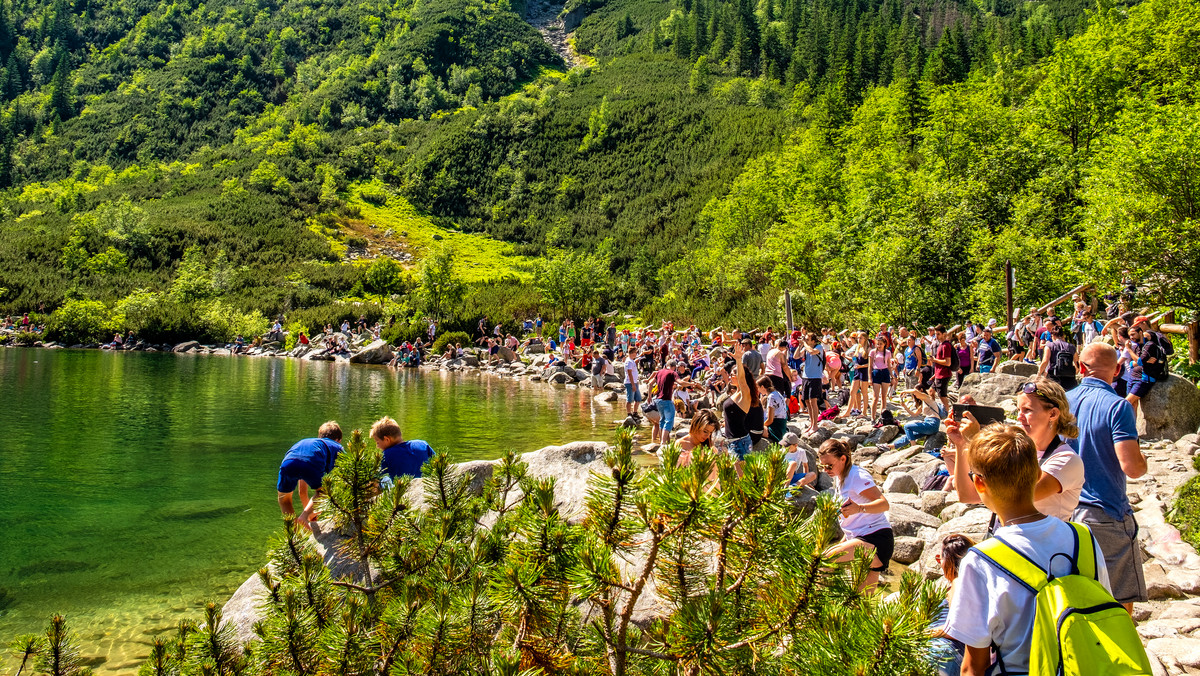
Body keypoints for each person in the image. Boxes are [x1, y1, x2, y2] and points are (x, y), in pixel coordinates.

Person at [945, 425, 1111, 676]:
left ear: (979, 482)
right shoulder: (1084, 538)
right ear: (1037, 475)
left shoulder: (979, 561)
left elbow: (973, 666)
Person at [1069, 342, 1148, 613]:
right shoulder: (1118, 407)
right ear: (1117, 369)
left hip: (1063, 512)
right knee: (1119, 601)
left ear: (1080, 367)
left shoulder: (1061, 403)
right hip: (1105, 510)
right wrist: (1143, 460)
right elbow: (1132, 467)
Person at [945, 377, 1084, 522]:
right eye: (1018, 410)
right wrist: (961, 444)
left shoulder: (1066, 460)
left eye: (1027, 410)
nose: (1019, 417)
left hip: (1041, 543)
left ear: (1053, 414)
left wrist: (974, 441)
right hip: (1008, 539)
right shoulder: (1016, 451)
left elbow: (1013, 501)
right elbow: (968, 495)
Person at [820, 438, 893, 589]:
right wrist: (843, 543)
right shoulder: (841, 478)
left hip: (876, 538)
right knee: (860, 605)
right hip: (860, 538)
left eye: (829, 466)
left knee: (824, 561)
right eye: (823, 467)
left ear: (843, 459)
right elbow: (853, 521)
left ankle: (813, 607)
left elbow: (884, 504)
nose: (826, 471)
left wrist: (859, 508)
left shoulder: (857, 476)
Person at [276, 422, 344, 530]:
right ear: (338, 440)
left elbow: (302, 492)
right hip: (310, 462)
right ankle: (302, 518)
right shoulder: (337, 446)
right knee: (324, 491)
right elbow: (346, 479)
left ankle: (296, 535)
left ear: (319, 437)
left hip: (288, 462)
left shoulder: (310, 443)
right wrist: (306, 515)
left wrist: (311, 514)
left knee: (284, 500)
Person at [930, 534, 973, 676]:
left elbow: (958, 626)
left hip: (942, 652)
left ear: (946, 560)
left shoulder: (958, 582)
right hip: (945, 652)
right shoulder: (970, 584)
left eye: (940, 557)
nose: (938, 561)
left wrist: (922, 633)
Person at [877, 388, 945, 454]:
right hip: (930, 425)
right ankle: (890, 446)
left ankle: (913, 448)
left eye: (915, 394)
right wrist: (904, 406)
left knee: (907, 426)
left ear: (921, 390)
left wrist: (904, 391)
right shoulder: (924, 403)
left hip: (932, 424)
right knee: (911, 435)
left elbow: (915, 391)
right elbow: (914, 414)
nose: (915, 395)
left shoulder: (927, 398)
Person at [1123, 317, 1166, 417]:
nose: (1131, 338)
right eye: (1130, 336)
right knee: (1133, 405)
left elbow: (1139, 361)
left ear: (1141, 333)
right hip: (1132, 377)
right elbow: (1131, 364)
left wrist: (1129, 350)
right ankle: (1132, 430)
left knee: (1126, 403)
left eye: (1133, 334)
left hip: (1143, 379)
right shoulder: (1138, 346)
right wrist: (1140, 361)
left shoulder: (1149, 345)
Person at [722, 341, 755, 465]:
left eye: (733, 375)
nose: (730, 377)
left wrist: (739, 360)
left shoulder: (744, 394)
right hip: (733, 441)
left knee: (742, 479)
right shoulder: (735, 393)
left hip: (740, 442)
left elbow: (742, 379)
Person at [373, 416, 434, 482]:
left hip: (402, 490)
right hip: (426, 488)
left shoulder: (386, 455)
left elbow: (375, 481)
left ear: (387, 439)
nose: (377, 446)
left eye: (377, 442)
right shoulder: (423, 445)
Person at [797, 332, 827, 433]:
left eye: (807, 339)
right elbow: (796, 356)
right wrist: (800, 344)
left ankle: (815, 425)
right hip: (806, 376)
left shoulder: (819, 347)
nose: (806, 340)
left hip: (815, 377)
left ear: (813, 341)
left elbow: (812, 352)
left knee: (813, 401)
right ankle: (811, 423)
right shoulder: (805, 348)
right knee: (806, 401)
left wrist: (804, 344)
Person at [1039, 326, 1079, 391]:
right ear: (1063, 335)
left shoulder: (1049, 346)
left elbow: (1045, 361)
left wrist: (1039, 374)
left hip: (1054, 376)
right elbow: (1077, 362)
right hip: (1069, 377)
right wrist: (1075, 372)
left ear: (1053, 336)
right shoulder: (1071, 347)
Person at [868, 336, 893, 422]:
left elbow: (889, 365)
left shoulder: (888, 352)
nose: (878, 345)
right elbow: (870, 366)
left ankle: (883, 416)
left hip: (885, 372)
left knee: (884, 396)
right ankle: (872, 417)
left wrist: (892, 376)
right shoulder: (872, 352)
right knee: (875, 397)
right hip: (876, 372)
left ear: (885, 344)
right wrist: (869, 378)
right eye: (877, 344)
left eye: (880, 344)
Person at [759, 376, 789, 443]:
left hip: (776, 427)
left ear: (762, 387)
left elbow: (770, 420)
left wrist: (761, 426)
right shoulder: (777, 393)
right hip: (782, 425)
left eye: (758, 387)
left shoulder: (771, 397)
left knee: (755, 429)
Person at [929, 325, 953, 411]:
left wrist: (935, 360)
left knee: (942, 397)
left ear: (944, 334)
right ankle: (934, 411)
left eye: (938, 334)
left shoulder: (945, 345)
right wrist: (935, 374)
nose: (936, 336)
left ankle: (947, 414)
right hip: (938, 374)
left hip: (944, 374)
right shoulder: (940, 344)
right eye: (936, 334)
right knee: (931, 391)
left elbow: (948, 362)